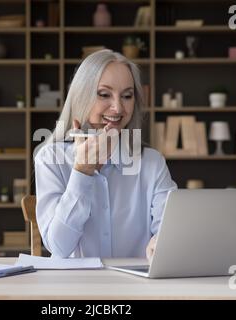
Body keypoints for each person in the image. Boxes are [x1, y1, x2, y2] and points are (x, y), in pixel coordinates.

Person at [34, 49, 177, 259]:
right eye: (104, 94)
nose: (118, 107)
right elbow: (59, 247)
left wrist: (162, 242)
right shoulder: (50, 159)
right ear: (81, 97)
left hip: (136, 289)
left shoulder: (151, 163)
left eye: (127, 96)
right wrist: (82, 171)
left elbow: (169, 229)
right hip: (72, 289)